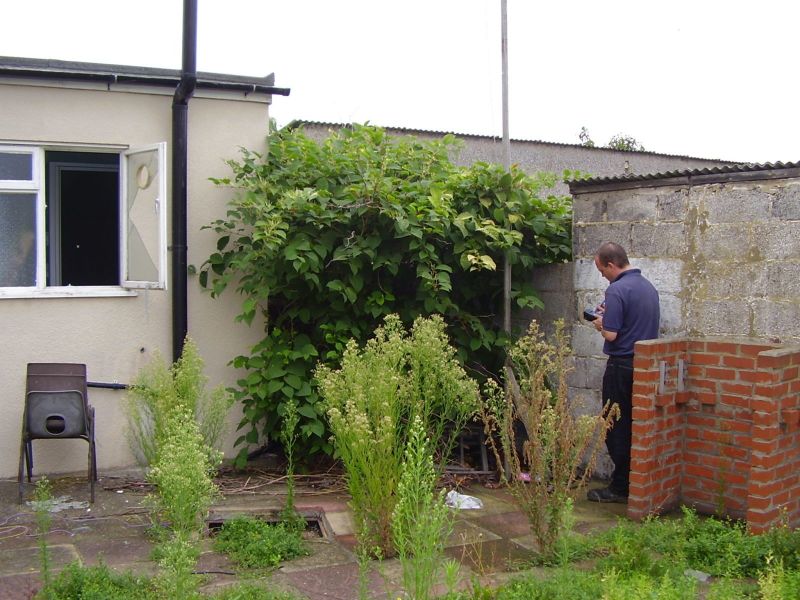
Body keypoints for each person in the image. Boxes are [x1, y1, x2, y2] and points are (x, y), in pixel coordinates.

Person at [587, 242, 660, 503]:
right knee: (634, 425)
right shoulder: (647, 287)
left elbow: (612, 334)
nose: (601, 275)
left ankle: (619, 487)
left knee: (614, 424)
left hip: (621, 367)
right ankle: (635, 483)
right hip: (643, 367)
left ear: (611, 264)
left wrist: (599, 324)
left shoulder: (617, 290)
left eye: (601, 269)